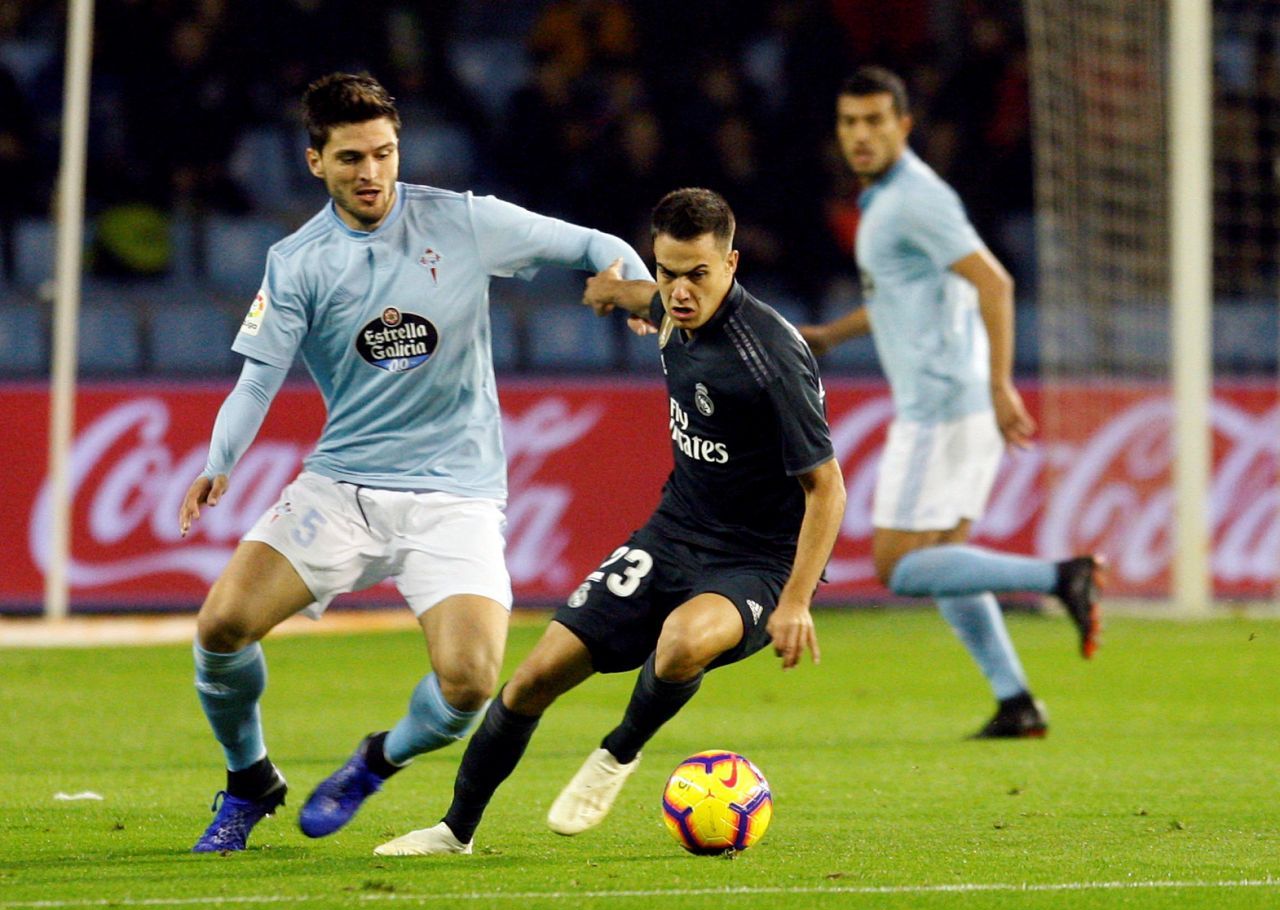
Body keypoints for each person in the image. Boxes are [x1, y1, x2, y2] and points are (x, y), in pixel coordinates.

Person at [178, 72, 653, 853]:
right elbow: (260, 374)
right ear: (314, 163)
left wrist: (629, 285)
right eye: (352, 157)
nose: (372, 172)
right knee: (222, 625)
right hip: (342, 487)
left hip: (455, 496)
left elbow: (592, 244)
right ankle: (249, 779)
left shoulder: (464, 222)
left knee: (469, 682)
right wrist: (219, 459)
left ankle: (377, 759)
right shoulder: (297, 260)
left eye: (385, 153)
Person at [370, 187, 846, 855]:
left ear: (732, 264)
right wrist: (609, 292)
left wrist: (796, 600)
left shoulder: (770, 358)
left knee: (681, 643)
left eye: (697, 274)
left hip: (759, 560)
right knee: (534, 677)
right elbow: (635, 297)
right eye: (668, 270)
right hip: (673, 532)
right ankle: (455, 830)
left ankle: (618, 752)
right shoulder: (673, 307)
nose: (679, 291)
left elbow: (826, 487)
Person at [799, 66, 1103, 739]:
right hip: (951, 404)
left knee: (898, 564)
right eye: (850, 122)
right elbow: (901, 296)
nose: (861, 135)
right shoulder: (888, 200)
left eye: (876, 121)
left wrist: (1000, 384)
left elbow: (994, 284)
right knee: (945, 561)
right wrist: (830, 334)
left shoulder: (915, 198)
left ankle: (1062, 575)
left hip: (943, 407)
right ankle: (1016, 699)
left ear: (904, 126)